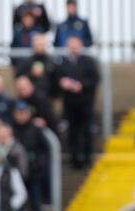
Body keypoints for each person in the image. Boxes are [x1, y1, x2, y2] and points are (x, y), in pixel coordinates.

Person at [57, 36, 99, 169]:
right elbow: (57, 79)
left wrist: (81, 85)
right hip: (70, 104)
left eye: (76, 45)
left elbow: (94, 79)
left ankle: (87, 159)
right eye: (71, 45)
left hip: (85, 103)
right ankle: (74, 160)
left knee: (86, 131)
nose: (74, 48)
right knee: (72, 133)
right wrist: (63, 83)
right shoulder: (63, 63)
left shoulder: (89, 62)